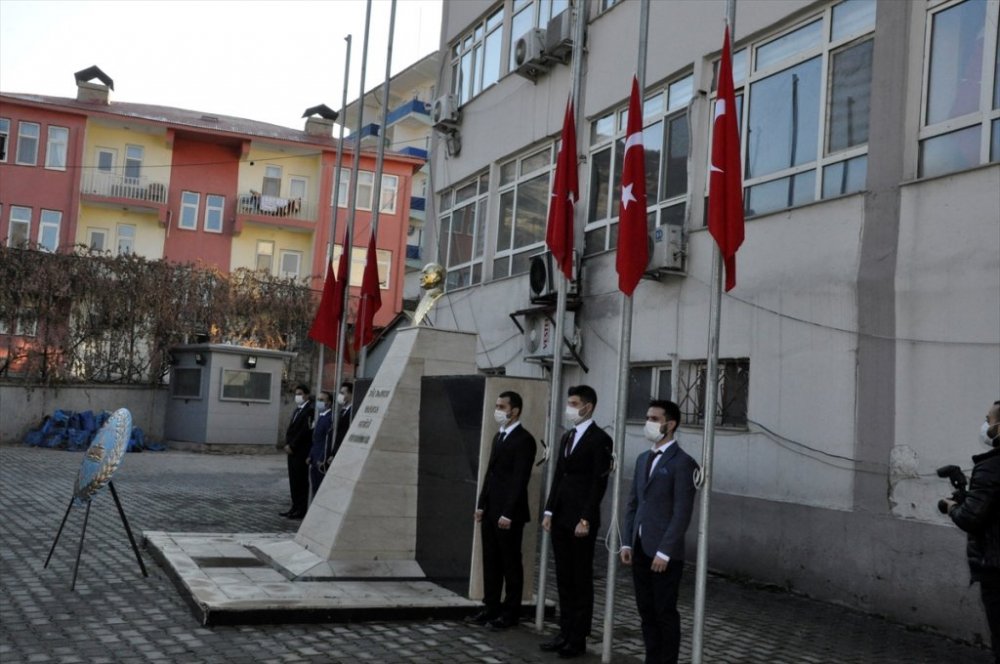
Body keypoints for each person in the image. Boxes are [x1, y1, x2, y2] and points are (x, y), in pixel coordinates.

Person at [620, 400, 698, 664]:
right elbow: (633, 503)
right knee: (646, 610)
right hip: (640, 547)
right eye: (648, 417)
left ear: (670, 424)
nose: (648, 423)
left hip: (664, 553)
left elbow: (682, 512)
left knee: (665, 611)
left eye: (654, 418)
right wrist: (626, 542)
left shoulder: (683, 463)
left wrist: (665, 551)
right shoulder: (643, 458)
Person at [540, 385, 613, 659]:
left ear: (588, 406)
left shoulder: (600, 439)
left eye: (574, 403)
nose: (569, 407)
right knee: (563, 577)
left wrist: (585, 517)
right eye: (569, 402)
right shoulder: (567, 436)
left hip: (581, 520)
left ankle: (578, 638)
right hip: (560, 516)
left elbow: (598, 482)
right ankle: (564, 631)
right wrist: (548, 511)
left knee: (580, 579)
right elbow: (558, 476)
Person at [467, 391, 537, 630]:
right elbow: (490, 473)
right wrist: (480, 504)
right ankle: (490, 607)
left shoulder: (524, 439)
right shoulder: (499, 436)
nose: (497, 409)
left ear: (514, 410)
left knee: (510, 563)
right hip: (490, 509)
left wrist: (507, 512)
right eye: (496, 405)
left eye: (501, 406)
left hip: (509, 513)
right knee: (491, 561)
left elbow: (519, 480)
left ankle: (510, 613)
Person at [944, 400, 1000, 663]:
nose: (984, 426)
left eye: (988, 420)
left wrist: (952, 507)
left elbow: (971, 518)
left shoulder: (991, 466)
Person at [280, 384, 313, 519]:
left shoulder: (309, 410)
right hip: (292, 451)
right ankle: (294, 506)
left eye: (299, 394)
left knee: (301, 481)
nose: (297, 396)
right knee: (293, 480)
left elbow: (304, 431)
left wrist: (293, 445)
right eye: (296, 394)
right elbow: (291, 430)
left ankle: (301, 508)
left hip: (300, 451)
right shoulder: (297, 410)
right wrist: (287, 443)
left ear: (306, 395)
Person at [308, 391, 335, 500]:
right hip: (315, 458)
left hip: (320, 460)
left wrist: (322, 458)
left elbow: (327, 441)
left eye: (321, 400)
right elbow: (316, 440)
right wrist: (310, 455)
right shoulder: (321, 416)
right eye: (318, 400)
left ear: (328, 403)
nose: (318, 402)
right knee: (314, 486)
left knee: (320, 489)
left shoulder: (329, 418)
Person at [332, 381, 354, 459]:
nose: (340, 396)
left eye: (342, 393)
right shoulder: (342, 411)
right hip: (337, 451)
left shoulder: (353, 411)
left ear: (350, 394)